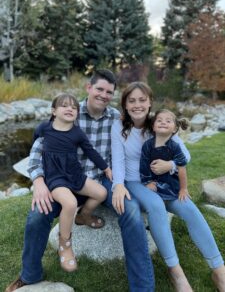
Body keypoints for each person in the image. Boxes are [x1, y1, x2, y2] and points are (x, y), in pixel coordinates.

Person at [6, 70, 158, 292]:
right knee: (38, 215)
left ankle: (143, 288)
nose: (104, 95)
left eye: (109, 92)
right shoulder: (68, 110)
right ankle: (30, 275)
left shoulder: (117, 117)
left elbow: (138, 136)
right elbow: (39, 148)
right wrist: (38, 181)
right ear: (89, 88)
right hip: (65, 181)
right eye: (99, 89)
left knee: (131, 210)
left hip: (100, 181)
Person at [111, 82, 225, 292]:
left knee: (189, 207)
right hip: (135, 181)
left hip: (164, 181)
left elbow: (185, 155)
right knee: (155, 204)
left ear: (150, 102)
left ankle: (219, 269)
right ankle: (176, 272)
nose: (137, 105)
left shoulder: (160, 123)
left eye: (142, 100)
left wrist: (170, 165)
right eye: (132, 101)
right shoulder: (119, 127)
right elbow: (117, 160)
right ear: (125, 105)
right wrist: (118, 185)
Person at [31, 93, 112, 272]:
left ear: (77, 113)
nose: (70, 109)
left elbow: (91, 152)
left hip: (75, 174)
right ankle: (65, 244)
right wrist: (40, 176)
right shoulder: (44, 128)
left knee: (101, 193)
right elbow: (35, 146)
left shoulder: (77, 133)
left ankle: (84, 215)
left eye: (74, 107)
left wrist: (105, 168)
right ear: (54, 111)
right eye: (64, 106)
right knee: (70, 202)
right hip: (56, 178)